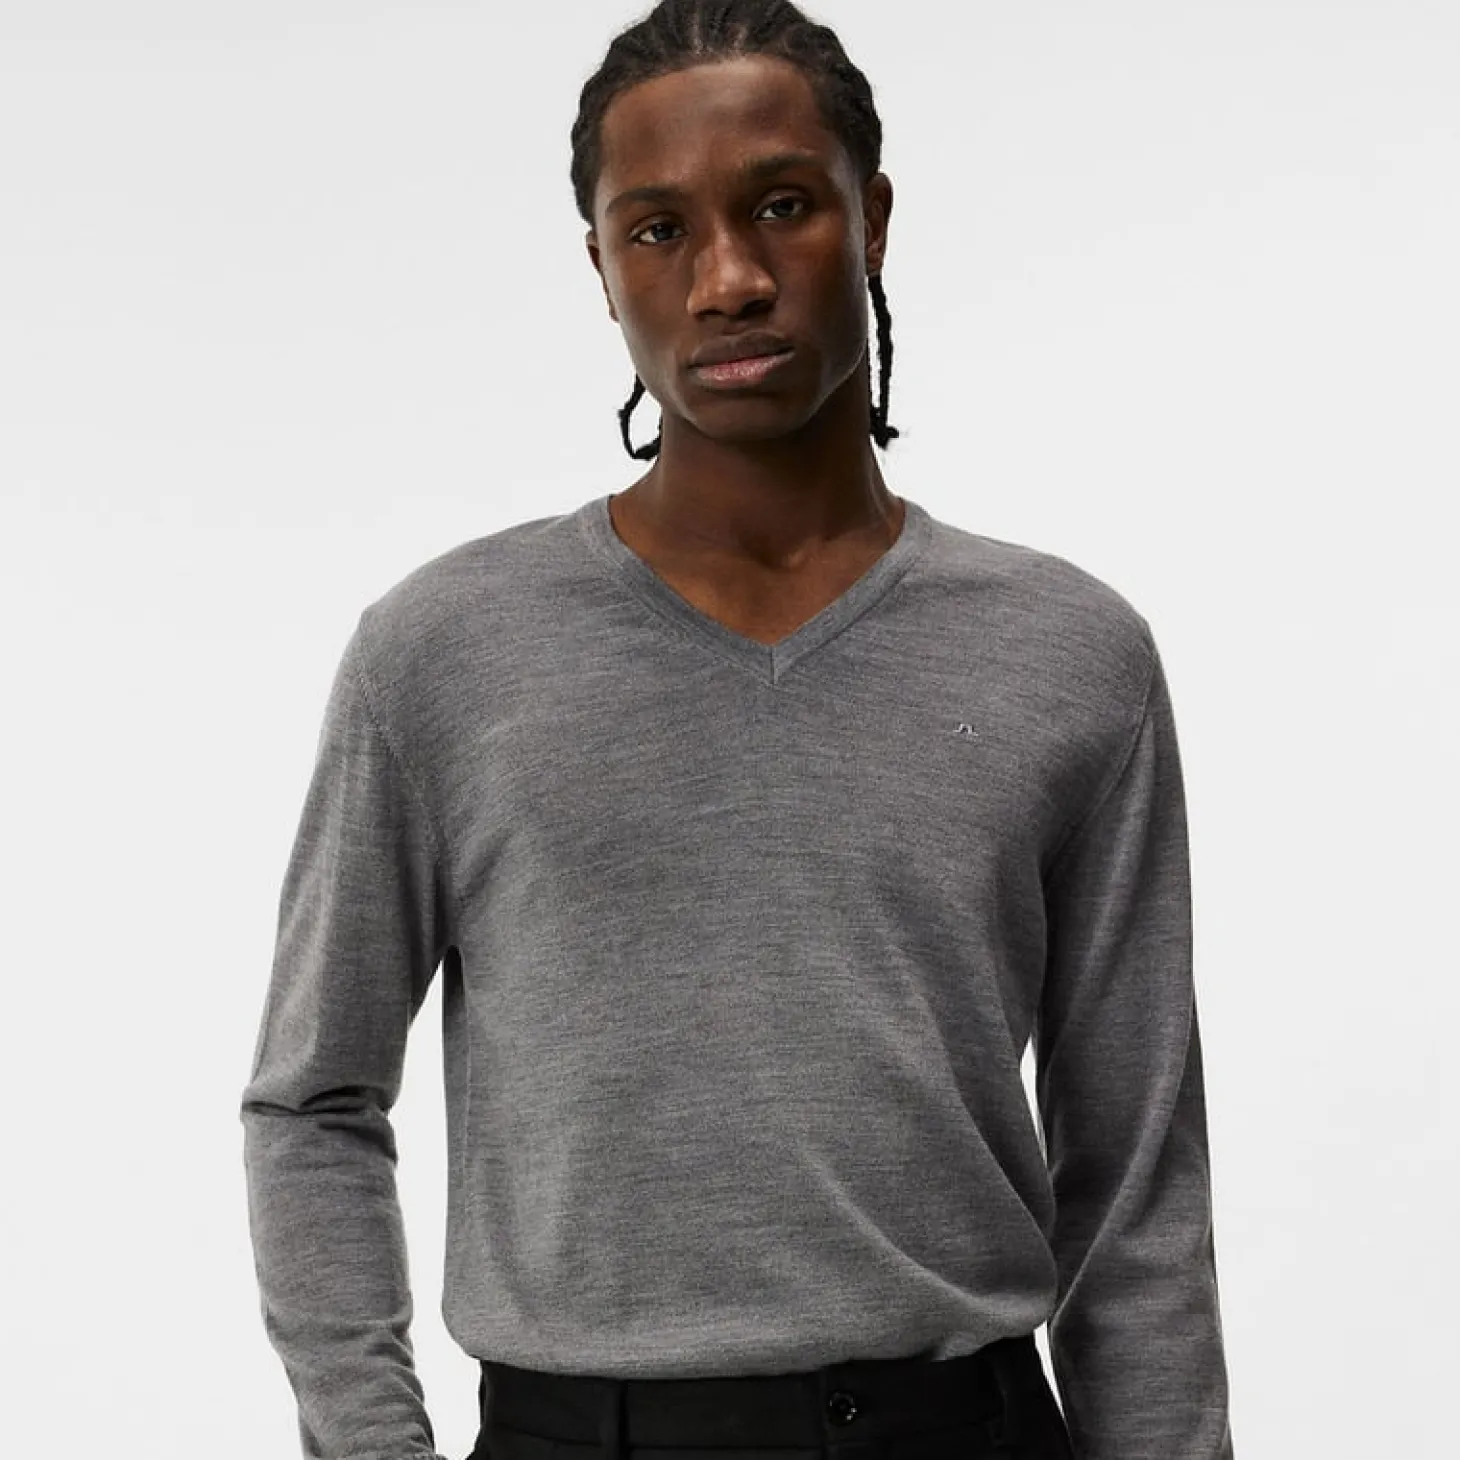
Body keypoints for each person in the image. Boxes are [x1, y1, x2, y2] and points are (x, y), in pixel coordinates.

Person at [239, 2, 1236, 1457]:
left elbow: (1136, 1177)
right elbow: (314, 1102)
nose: (728, 279)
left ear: (871, 217)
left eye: (781, 206)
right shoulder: (442, 653)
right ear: (601, 269)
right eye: (658, 230)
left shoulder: (1069, 654)